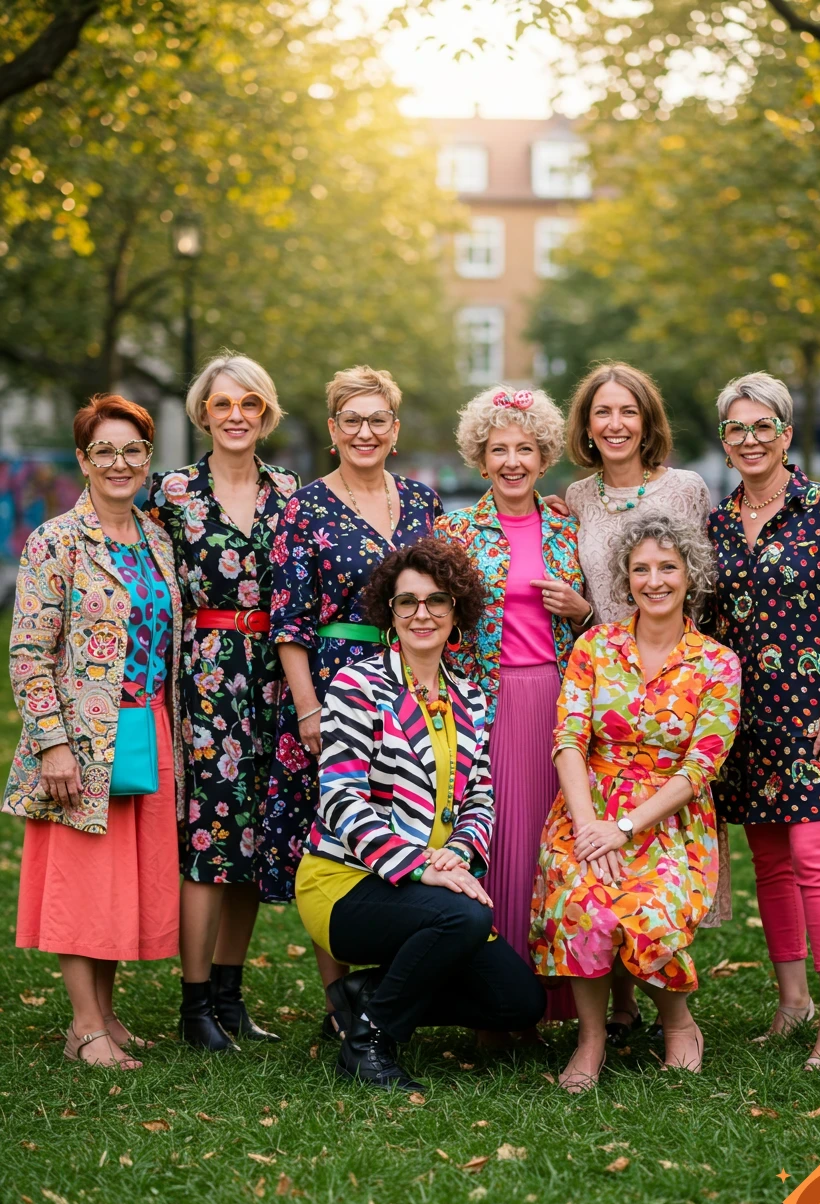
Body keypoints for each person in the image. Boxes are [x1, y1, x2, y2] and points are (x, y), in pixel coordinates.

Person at [296, 539, 546, 1091]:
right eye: (406, 602)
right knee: (464, 918)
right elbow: (340, 798)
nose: (422, 614)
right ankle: (369, 1042)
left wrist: (456, 856)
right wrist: (418, 866)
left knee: (519, 1002)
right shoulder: (359, 684)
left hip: (432, 880)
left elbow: (481, 794)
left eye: (436, 601)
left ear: (457, 611)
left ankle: (362, 996)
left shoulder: (470, 696)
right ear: (390, 612)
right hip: (344, 883)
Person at [708, 371, 820, 1070]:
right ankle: (792, 1003)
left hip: (818, 717)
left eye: (762, 427)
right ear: (724, 440)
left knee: (815, 858)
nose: (750, 440)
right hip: (748, 723)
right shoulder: (719, 522)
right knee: (770, 864)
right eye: (736, 429)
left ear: (785, 434)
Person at [530, 512, 741, 1091]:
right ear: (625, 579)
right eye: (641, 569)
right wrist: (589, 825)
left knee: (648, 910)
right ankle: (592, 1039)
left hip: (668, 820)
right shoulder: (595, 647)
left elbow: (702, 765)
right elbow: (569, 739)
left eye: (668, 568)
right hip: (587, 808)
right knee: (586, 903)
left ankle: (678, 1024)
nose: (654, 580)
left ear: (689, 574)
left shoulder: (717, 663)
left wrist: (624, 827)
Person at [262, 365, 442, 1039]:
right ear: (334, 431)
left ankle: (390, 989)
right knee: (340, 833)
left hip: (414, 677)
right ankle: (340, 1002)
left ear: (394, 431)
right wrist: (308, 707)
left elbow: (449, 593)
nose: (365, 432)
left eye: (378, 421)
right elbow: (288, 619)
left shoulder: (423, 503)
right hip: (335, 682)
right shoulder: (305, 508)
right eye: (351, 421)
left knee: (407, 819)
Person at [4, 394, 182, 1068]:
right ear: (83, 459)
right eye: (104, 450)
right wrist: (51, 743)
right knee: (84, 881)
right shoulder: (55, 540)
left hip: (147, 726)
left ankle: (108, 1014)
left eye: (133, 450)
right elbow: (28, 651)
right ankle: (84, 1027)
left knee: (121, 879)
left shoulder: (155, 537)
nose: (119, 462)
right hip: (82, 736)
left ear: (146, 458)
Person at [559, 361, 717, 1045]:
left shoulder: (685, 489)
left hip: (675, 685)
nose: (615, 424)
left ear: (648, 421)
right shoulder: (575, 496)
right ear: (587, 426)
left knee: (646, 856)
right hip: (602, 680)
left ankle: (660, 1013)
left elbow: (703, 581)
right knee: (596, 860)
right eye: (602, 413)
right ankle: (615, 1014)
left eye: (628, 411)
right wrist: (584, 614)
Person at [147, 351, 299, 1052]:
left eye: (249, 405)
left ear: (265, 415)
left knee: (256, 839)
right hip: (207, 678)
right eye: (222, 405)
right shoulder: (171, 493)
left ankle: (233, 998)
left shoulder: (290, 492)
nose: (236, 416)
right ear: (203, 414)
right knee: (208, 836)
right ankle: (194, 1002)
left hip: (278, 676)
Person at [434, 386, 590, 1024]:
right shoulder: (455, 531)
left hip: (556, 697)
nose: (513, 461)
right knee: (496, 839)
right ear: (480, 457)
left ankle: (560, 993)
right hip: (485, 701)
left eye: (525, 447)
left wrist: (580, 612)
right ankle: (496, 1001)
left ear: (545, 454)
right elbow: (433, 622)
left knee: (550, 841)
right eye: (499, 448)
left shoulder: (567, 528)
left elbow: (602, 624)